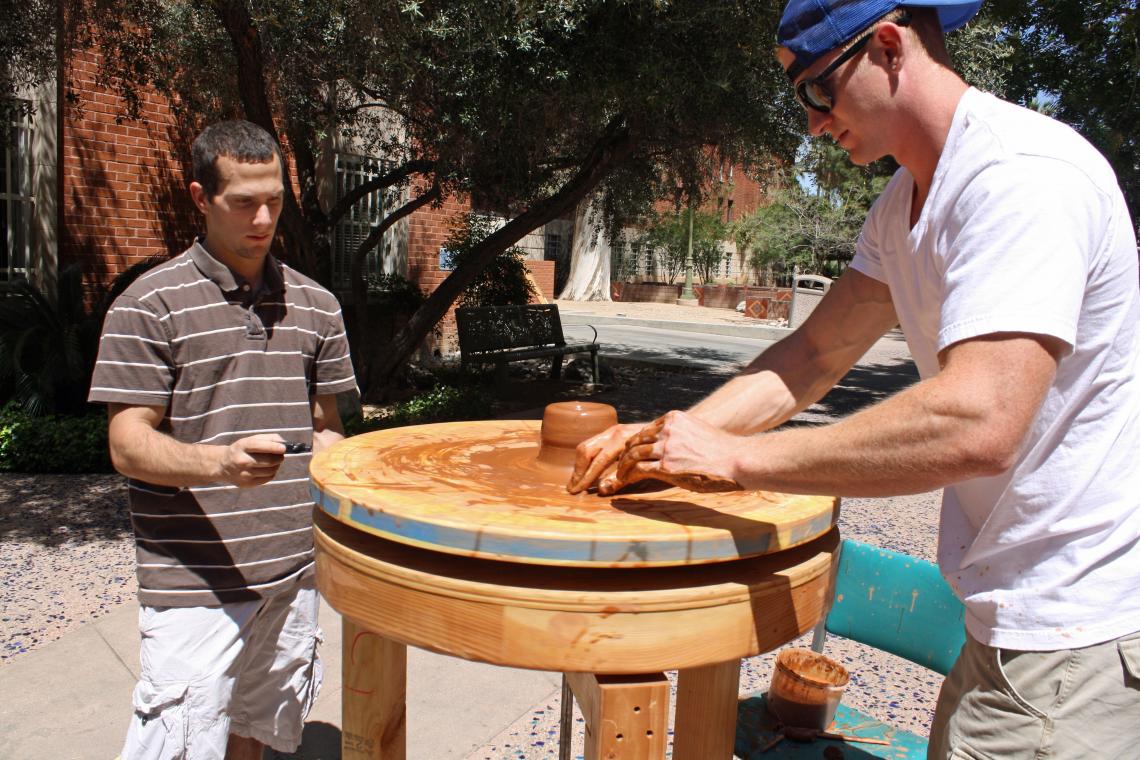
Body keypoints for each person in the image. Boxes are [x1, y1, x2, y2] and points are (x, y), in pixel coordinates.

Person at [568, 1, 1140, 756]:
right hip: (1013, 624)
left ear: (889, 47)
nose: (811, 124)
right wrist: (662, 442)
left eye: (816, 91)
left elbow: (980, 421)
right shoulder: (903, 203)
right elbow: (812, 355)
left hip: (1071, 633)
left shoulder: (1022, 179)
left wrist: (738, 460)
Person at [89, 119, 358, 760]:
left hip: (293, 573)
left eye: (274, 200)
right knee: (179, 745)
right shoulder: (147, 304)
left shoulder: (317, 306)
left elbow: (326, 427)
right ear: (199, 197)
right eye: (243, 202)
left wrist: (347, 466)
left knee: (257, 731)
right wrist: (220, 464)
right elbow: (127, 444)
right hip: (194, 581)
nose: (263, 219)